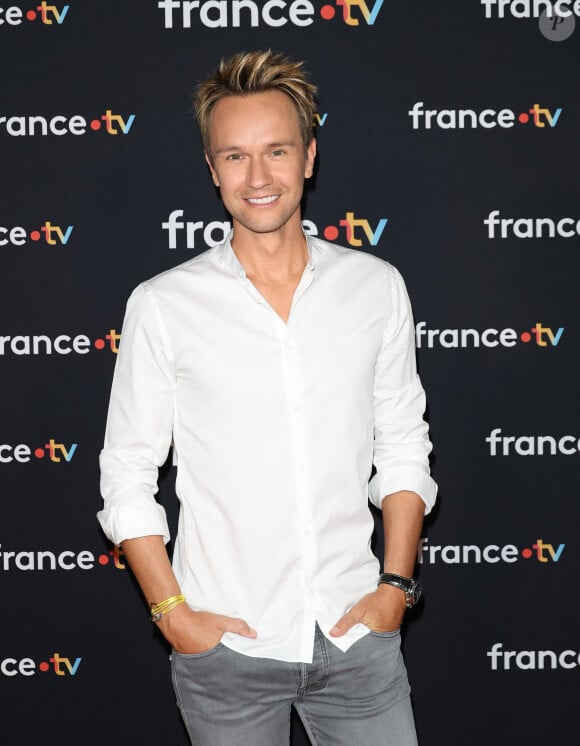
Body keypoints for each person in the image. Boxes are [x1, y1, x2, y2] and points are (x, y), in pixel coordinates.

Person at [98, 49, 437, 746]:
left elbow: (403, 445)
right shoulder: (164, 305)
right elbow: (127, 475)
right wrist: (173, 615)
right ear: (212, 169)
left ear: (308, 157)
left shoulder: (376, 288)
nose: (258, 177)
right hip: (226, 653)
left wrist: (395, 589)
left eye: (276, 151)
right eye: (235, 156)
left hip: (358, 640)